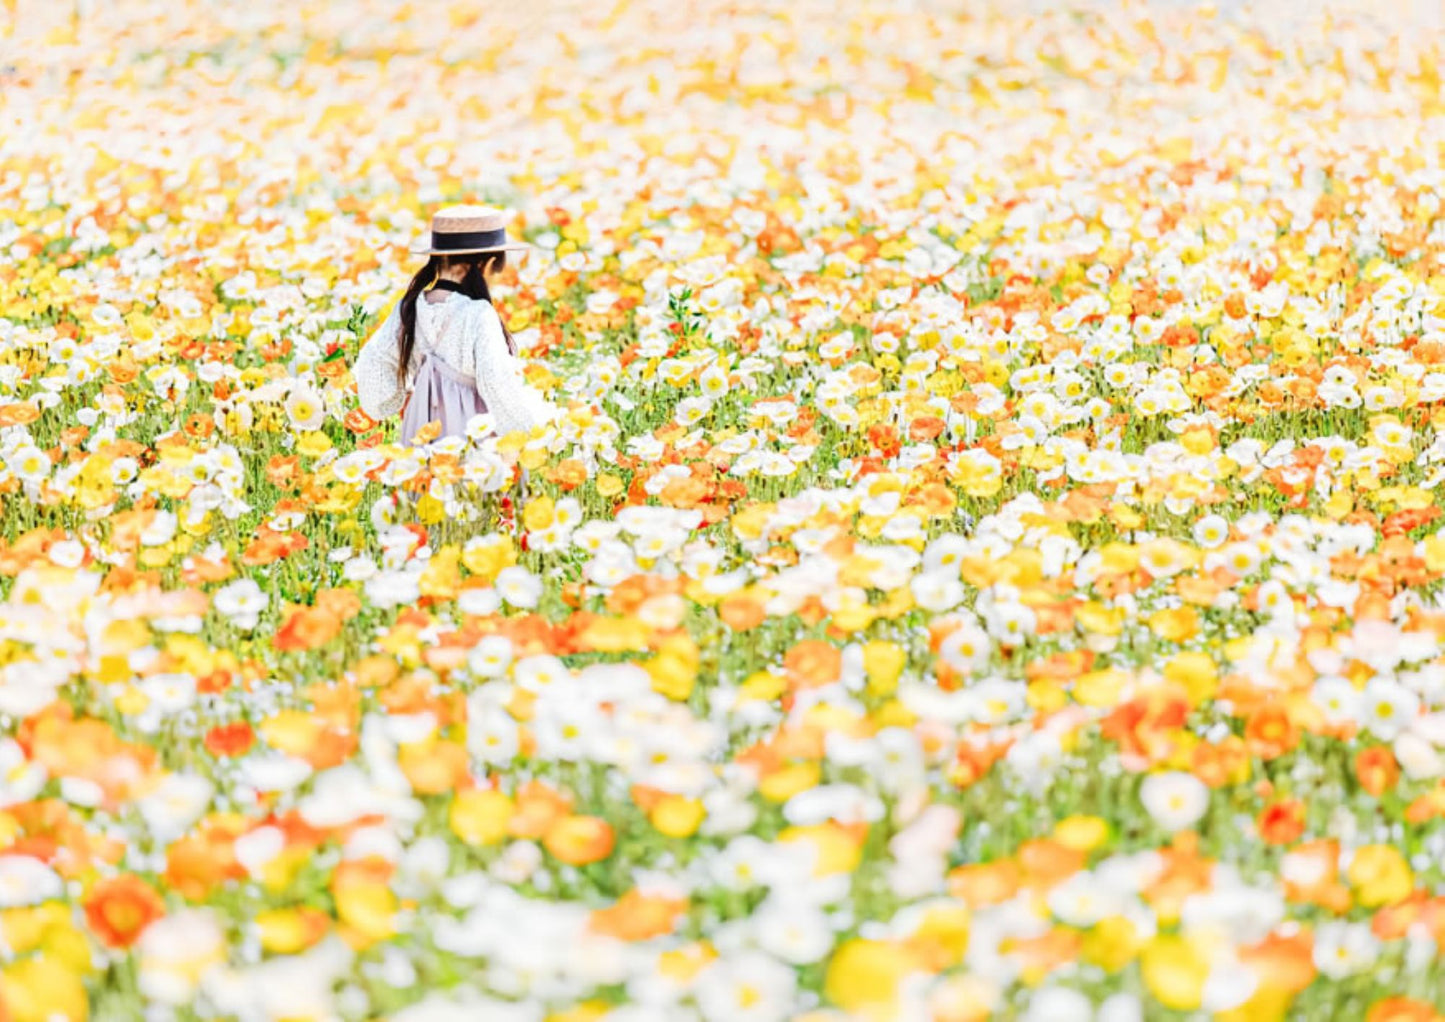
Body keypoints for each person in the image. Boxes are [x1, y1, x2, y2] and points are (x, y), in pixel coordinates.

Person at [355, 204, 558, 445]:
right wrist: (531, 427)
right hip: (473, 427)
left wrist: (400, 399)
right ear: (486, 262)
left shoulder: (409, 306)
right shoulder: (477, 313)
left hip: (421, 425)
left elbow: (373, 358)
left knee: (425, 480)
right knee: (469, 480)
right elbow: (496, 379)